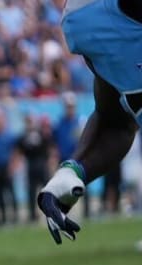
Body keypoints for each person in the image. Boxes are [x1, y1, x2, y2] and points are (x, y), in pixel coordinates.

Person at [40, 0, 142, 244]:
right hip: (100, 15)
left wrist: (73, 172)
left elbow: (116, 125)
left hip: (84, 17)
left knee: (121, 114)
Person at [18, 113, 55, 224]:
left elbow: (49, 148)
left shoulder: (42, 134)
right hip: (31, 165)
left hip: (41, 164)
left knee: (47, 191)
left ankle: (52, 211)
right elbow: (20, 151)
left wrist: (50, 161)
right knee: (31, 191)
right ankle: (33, 215)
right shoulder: (23, 136)